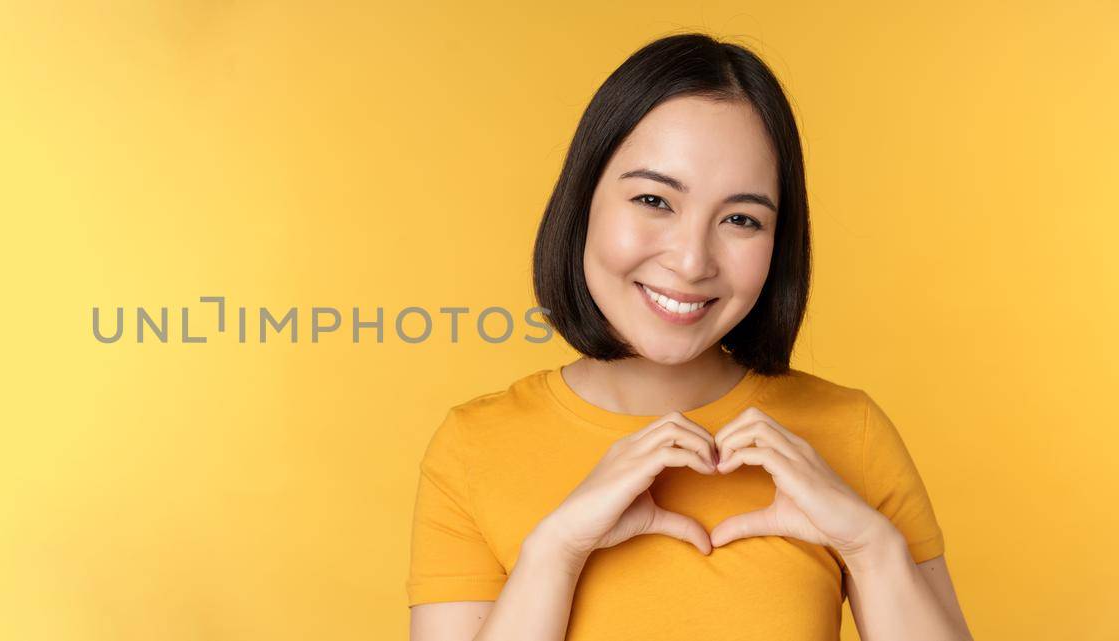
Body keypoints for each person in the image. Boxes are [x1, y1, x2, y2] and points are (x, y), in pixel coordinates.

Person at [405, 32, 973, 641]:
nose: (692, 260)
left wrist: (871, 548)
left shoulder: (849, 435)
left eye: (740, 219)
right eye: (654, 199)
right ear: (584, 199)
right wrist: (555, 550)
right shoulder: (474, 448)